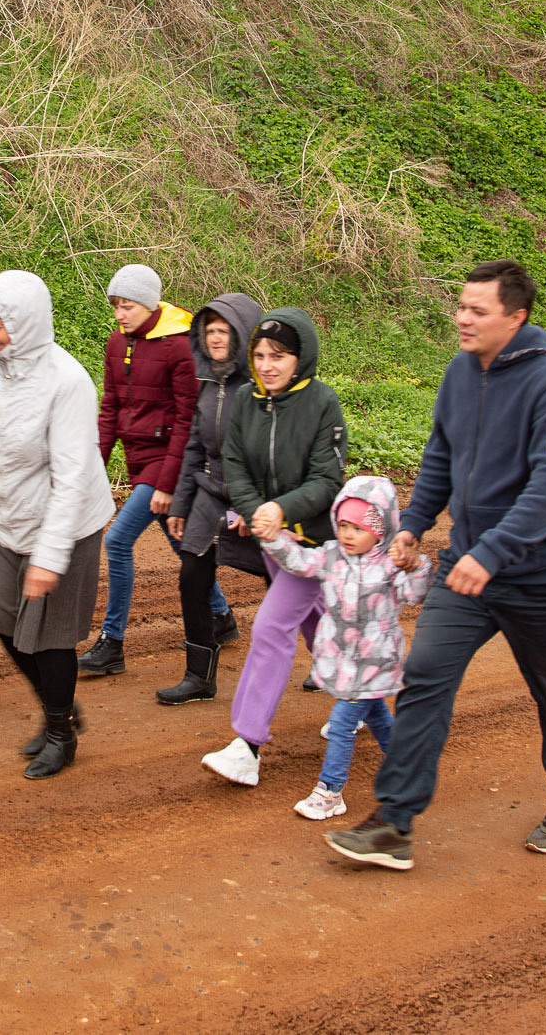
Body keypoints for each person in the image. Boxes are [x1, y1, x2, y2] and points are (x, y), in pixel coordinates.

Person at [324, 260, 546, 872]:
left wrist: (491, 553)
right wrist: (415, 523)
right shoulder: (458, 372)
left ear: (516, 316)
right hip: (468, 567)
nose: (462, 318)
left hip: (544, 576)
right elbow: (442, 451)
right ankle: (394, 822)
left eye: (478, 310)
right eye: (461, 306)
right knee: (423, 675)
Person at [0, 271, 117, 779]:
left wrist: (49, 557)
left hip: (67, 525)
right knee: (2, 621)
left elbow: (73, 477)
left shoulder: (67, 381)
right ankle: (64, 711)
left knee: (49, 637)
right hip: (13, 517)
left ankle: (60, 733)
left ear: (25, 323)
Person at [198, 308, 347, 787]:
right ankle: (358, 697)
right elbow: (234, 463)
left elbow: (329, 478)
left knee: (270, 627)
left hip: (311, 542)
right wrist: (255, 509)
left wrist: (280, 510)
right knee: (315, 623)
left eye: (278, 356)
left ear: (300, 358)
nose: (266, 365)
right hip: (269, 537)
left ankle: (248, 744)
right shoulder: (246, 400)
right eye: (259, 355)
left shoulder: (323, 403)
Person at [78, 264, 233, 678]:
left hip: (169, 461)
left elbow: (188, 420)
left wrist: (167, 485)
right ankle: (222, 615)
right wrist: (96, 462)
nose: (119, 315)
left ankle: (113, 643)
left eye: (127, 306)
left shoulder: (179, 346)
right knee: (182, 546)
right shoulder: (117, 343)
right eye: (115, 306)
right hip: (138, 458)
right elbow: (110, 407)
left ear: (148, 304)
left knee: (118, 541)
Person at [256, 476, 427, 821]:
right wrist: (274, 540)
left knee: (341, 724)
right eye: (344, 525)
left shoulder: (391, 562)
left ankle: (330, 791)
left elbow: (414, 594)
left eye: (359, 528)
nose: (348, 534)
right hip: (343, 658)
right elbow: (301, 561)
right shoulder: (332, 556)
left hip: (376, 659)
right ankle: (405, 763)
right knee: (375, 712)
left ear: (381, 530)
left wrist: (417, 566)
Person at [158, 294, 267, 705]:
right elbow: (193, 448)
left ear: (243, 336)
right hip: (208, 492)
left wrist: (248, 506)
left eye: (225, 331)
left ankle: (329, 660)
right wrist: (181, 505)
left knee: (285, 581)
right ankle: (199, 677)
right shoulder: (207, 384)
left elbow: (265, 457)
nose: (217, 338)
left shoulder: (261, 388)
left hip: (254, 497)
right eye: (211, 331)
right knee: (192, 578)